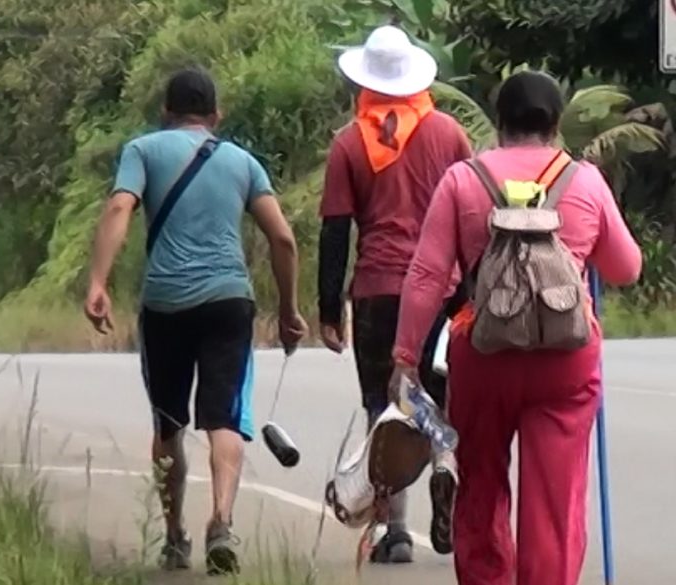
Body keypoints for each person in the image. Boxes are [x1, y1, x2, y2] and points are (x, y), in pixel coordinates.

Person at [391, 71, 642, 585]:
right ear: (555, 125)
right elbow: (626, 269)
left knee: (480, 487)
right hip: (565, 362)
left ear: (499, 121)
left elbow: (426, 276)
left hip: (484, 354)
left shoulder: (463, 180)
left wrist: (405, 359)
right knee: (554, 503)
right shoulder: (585, 180)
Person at [84, 67, 308, 576]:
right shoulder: (243, 162)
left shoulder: (143, 151)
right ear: (216, 116)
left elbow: (121, 205)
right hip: (229, 302)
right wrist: (291, 310)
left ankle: (174, 537)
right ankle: (222, 522)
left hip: (164, 306)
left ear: (165, 112)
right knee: (224, 417)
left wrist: (98, 281)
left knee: (169, 423)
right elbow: (284, 240)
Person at [317, 25, 472, 563]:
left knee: (385, 408)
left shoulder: (348, 142)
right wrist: (468, 293)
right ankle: (446, 467)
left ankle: (394, 531)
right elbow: (472, 215)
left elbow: (336, 231)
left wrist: (328, 309)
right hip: (444, 290)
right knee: (441, 400)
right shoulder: (449, 133)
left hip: (379, 292)